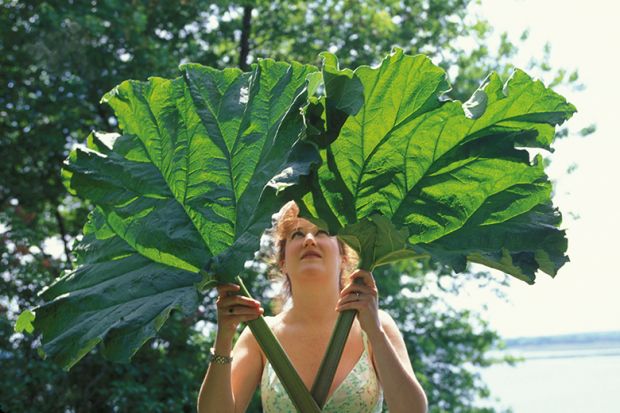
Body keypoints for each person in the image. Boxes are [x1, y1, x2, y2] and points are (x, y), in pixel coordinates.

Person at [197, 202, 428, 413]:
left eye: (322, 232)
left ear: (343, 258)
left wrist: (376, 333)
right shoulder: (260, 334)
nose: (309, 239)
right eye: (297, 234)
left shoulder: (377, 324)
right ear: (283, 262)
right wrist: (224, 337)